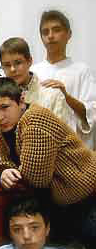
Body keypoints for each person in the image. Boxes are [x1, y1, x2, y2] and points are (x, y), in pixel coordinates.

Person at [0, 77, 96, 249]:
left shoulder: (34, 119)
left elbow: (36, 178)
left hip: (87, 196)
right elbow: (8, 162)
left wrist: (9, 170)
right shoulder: (7, 129)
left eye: (5, 107)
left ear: (21, 101)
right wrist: (3, 171)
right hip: (65, 202)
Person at [32, 10, 96, 150]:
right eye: (45, 32)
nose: (50, 36)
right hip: (42, 148)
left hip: (74, 149)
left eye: (56, 30)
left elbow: (91, 113)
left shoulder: (82, 71)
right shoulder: (34, 72)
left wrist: (66, 97)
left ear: (68, 34)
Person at [0, 37, 74, 129]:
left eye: (18, 63)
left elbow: (64, 135)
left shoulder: (52, 95)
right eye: (7, 65)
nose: (13, 69)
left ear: (29, 61)